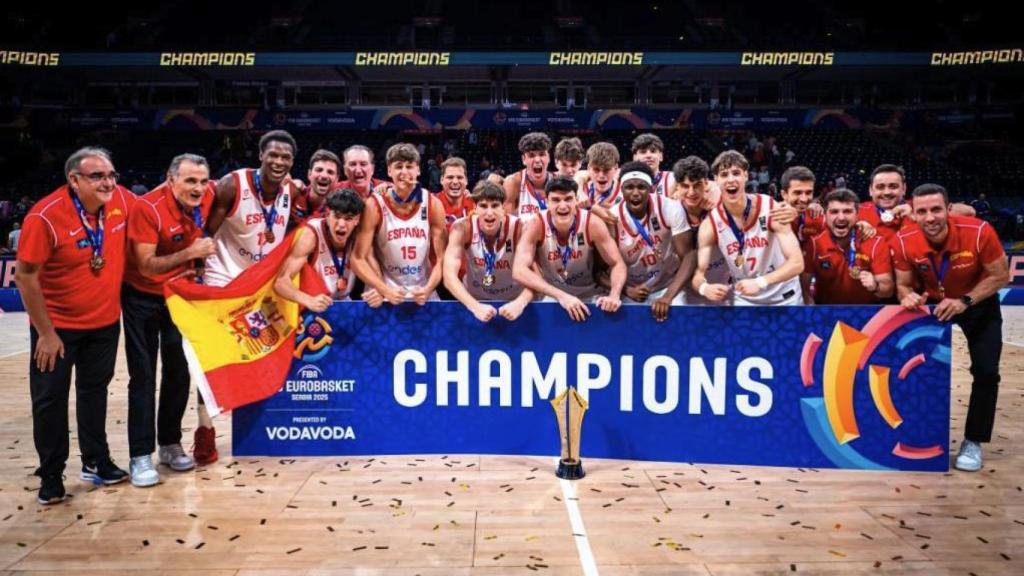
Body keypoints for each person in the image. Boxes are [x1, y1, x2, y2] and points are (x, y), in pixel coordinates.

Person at [15, 147, 134, 504]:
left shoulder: (121, 201)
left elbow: (155, 204)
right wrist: (46, 333)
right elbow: (24, 277)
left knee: (94, 392)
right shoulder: (45, 216)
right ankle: (51, 474)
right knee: (50, 400)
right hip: (57, 329)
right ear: (74, 179)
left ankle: (96, 460)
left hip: (105, 323)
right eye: (97, 176)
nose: (108, 183)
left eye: (111, 175)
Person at [199, 129, 300, 464]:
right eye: (273, 155)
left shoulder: (291, 190)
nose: (279, 162)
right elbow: (206, 236)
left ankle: (258, 426)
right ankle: (204, 430)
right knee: (214, 358)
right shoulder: (232, 185)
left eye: (285, 157)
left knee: (259, 354)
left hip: (260, 285)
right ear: (260, 156)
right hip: (224, 279)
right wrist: (199, 280)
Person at [893, 184, 1009, 472]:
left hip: (977, 303)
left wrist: (965, 301)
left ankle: (973, 441)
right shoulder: (904, 240)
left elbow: (1000, 276)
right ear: (913, 214)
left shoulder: (979, 231)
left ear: (948, 209)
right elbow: (903, 284)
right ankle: (910, 433)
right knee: (909, 369)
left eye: (936, 210)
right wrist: (906, 295)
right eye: (922, 211)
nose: (930, 217)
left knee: (986, 371)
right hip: (934, 307)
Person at [123, 154, 215, 486]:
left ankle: (170, 443)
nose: (198, 188)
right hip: (142, 295)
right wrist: (191, 254)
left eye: (203, 181)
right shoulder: (147, 208)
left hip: (179, 295)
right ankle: (140, 456)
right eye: (190, 181)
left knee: (178, 370)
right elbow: (146, 265)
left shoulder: (208, 195)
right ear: (170, 178)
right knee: (143, 375)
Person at [692, 150, 804, 306]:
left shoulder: (770, 208)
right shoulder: (710, 224)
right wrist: (704, 288)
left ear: (746, 176)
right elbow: (698, 274)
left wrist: (760, 282)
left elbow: (797, 263)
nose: (731, 180)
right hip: (745, 299)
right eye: (724, 175)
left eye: (736, 173)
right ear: (716, 180)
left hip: (784, 296)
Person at [512, 175, 625, 321]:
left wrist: (614, 295)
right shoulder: (536, 224)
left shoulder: (592, 223)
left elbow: (617, 263)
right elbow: (519, 270)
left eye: (568, 199)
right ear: (546, 202)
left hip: (591, 295)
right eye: (556, 200)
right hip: (554, 296)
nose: (563, 206)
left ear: (577, 200)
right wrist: (562, 296)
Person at [350, 143, 447, 305]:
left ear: (418, 170)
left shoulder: (433, 204)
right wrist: (383, 289)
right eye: (398, 166)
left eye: (409, 166)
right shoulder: (374, 205)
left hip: (423, 292)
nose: (404, 172)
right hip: (384, 292)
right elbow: (357, 258)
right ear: (389, 171)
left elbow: (441, 259)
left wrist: (428, 289)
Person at [610, 162, 694, 321]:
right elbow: (600, 271)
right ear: (621, 189)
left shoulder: (670, 208)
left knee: (679, 323)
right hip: (630, 289)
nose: (635, 193)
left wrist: (668, 296)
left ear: (651, 188)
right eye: (629, 187)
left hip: (667, 285)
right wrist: (627, 290)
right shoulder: (612, 217)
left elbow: (689, 256)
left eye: (641, 187)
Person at [274, 189, 383, 310]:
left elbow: (376, 275)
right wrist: (308, 300)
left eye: (348, 218)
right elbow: (281, 282)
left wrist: (379, 292)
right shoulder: (311, 233)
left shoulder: (360, 235)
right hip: (315, 304)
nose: (341, 224)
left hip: (346, 304)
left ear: (357, 220)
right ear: (327, 215)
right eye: (337, 216)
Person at [442, 180, 532, 322]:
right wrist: (474, 306)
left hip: (513, 301)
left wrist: (520, 303)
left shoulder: (520, 228)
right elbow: (449, 277)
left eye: (495, 205)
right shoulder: (462, 228)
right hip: (474, 299)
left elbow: (537, 275)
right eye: (483, 206)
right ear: (475, 208)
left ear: (503, 208)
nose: (489, 213)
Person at [801, 189, 894, 304]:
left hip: (867, 310)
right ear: (825, 215)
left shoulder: (875, 242)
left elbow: (888, 290)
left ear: (857, 214)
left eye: (847, 211)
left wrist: (875, 286)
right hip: (825, 310)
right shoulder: (814, 244)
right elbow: (804, 290)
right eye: (834, 212)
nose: (841, 218)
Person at [671, 156, 732, 305]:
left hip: (724, 280)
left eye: (697, 185)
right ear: (677, 187)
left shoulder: (721, 202)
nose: (691, 192)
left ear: (706, 184)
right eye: (685, 186)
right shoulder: (671, 210)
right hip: (688, 283)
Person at [503, 132, 553, 217]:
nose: (537, 160)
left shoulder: (559, 181)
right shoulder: (514, 182)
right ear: (524, 159)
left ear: (548, 157)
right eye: (531, 155)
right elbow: (506, 221)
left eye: (542, 154)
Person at [575, 142, 623, 225]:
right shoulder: (578, 188)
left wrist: (591, 207)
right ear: (589, 168)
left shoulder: (624, 191)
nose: (601, 175)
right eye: (596, 170)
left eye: (606, 170)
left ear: (616, 168)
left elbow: (615, 220)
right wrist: (579, 191)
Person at [292, 149, 342, 225]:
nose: (324, 176)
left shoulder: (339, 210)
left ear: (337, 179)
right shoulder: (294, 194)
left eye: (330, 172)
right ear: (309, 174)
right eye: (319, 170)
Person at [435, 157, 474, 229]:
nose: (455, 182)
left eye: (459, 177)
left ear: (466, 180)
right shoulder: (432, 204)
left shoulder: (475, 205)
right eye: (450, 177)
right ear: (441, 180)